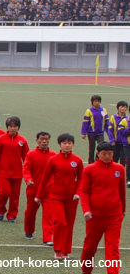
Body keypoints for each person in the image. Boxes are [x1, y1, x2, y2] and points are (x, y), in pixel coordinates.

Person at [79, 142, 126, 274]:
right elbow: (84, 191)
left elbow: (121, 191)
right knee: (90, 246)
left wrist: (123, 210)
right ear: (98, 154)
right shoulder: (89, 169)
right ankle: (86, 270)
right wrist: (86, 209)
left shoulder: (119, 169)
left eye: (110, 154)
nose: (107, 156)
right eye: (104, 154)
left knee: (113, 248)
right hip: (94, 216)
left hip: (114, 216)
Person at [35, 133, 83, 260]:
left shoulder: (77, 160)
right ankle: (57, 250)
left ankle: (65, 251)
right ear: (60, 145)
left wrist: (78, 193)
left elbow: (81, 179)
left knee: (69, 224)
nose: (67, 145)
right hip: (55, 196)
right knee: (59, 222)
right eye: (64, 143)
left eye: (69, 143)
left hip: (72, 198)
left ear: (73, 144)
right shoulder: (53, 160)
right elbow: (44, 179)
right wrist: (39, 196)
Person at [0, 116, 29, 223]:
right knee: (4, 192)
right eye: (10, 126)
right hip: (3, 172)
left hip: (17, 173)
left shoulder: (22, 140)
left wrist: (28, 173)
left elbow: (26, 158)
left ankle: (12, 215)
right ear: (7, 127)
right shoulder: (1, 139)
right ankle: (0, 211)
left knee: (15, 196)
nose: (13, 128)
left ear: (18, 127)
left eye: (15, 126)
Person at [22, 131, 55, 244]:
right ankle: (29, 231)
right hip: (33, 189)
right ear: (37, 140)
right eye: (42, 139)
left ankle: (48, 238)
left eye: (46, 139)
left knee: (49, 214)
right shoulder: (31, 154)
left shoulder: (53, 155)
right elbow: (26, 169)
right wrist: (28, 180)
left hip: (48, 190)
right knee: (31, 212)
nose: (44, 141)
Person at [81, 95, 108, 164]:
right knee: (92, 148)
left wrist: (108, 131)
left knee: (101, 147)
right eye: (95, 101)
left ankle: (98, 161)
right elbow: (85, 122)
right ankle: (91, 162)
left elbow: (106, 121)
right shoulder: (89, 111)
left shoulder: (103, 110)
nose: (97, 103)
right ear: (92, 102)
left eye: (98, 101)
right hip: (91, 133)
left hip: (100, 133)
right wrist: (83, 133)